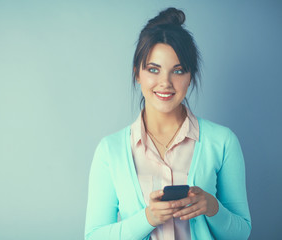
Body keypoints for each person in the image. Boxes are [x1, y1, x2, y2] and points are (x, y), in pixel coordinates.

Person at [85, 7, 251, 240]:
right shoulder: (109, 151)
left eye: (178, 70)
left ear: (190, 76)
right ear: (137, 73)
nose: (165, 83)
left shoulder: (223, 142)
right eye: (153, 69)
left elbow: (241, 233)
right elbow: (94, 236)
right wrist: (148, 218)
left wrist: (212, 208)